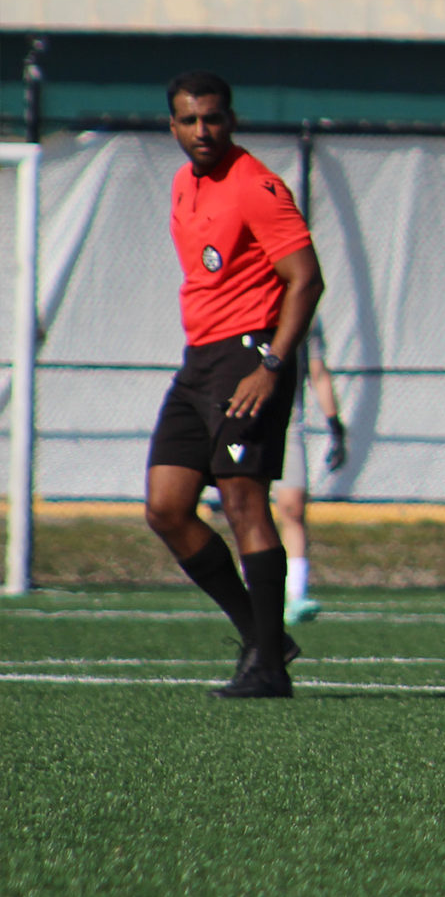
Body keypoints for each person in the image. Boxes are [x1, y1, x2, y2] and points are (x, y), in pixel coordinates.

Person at [142, 73, 326, 698]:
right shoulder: (182, 183)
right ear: (172, 126)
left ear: (232, 120)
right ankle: (262, 633)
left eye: (213, 119)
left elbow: (306, 279)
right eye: (190, 121)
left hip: (249, 356)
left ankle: (269, 667)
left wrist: (271, 364)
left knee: (245, 501)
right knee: (166, 508)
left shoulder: (257, 186)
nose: (202, 131)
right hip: (199, 362)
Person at [275, 339, 347, 625]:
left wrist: (336, 427)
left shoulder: (303, 306)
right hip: (241, 415)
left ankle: (296, 595)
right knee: (243, 506)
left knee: (292, 507)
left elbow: (317, 371)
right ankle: (252, 589)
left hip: (286, 420)